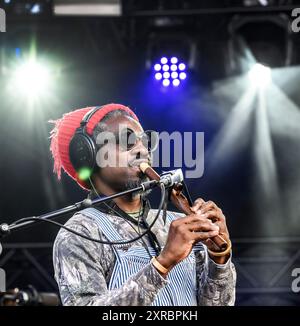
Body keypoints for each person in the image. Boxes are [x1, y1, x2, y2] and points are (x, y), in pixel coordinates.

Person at [50, 103, 236, 306]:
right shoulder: (80, 233)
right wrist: (162, 264)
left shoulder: (178, 224)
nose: (142, 150)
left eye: (146, 141)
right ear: (88, 155)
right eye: (127, 140)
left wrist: (219, 257)